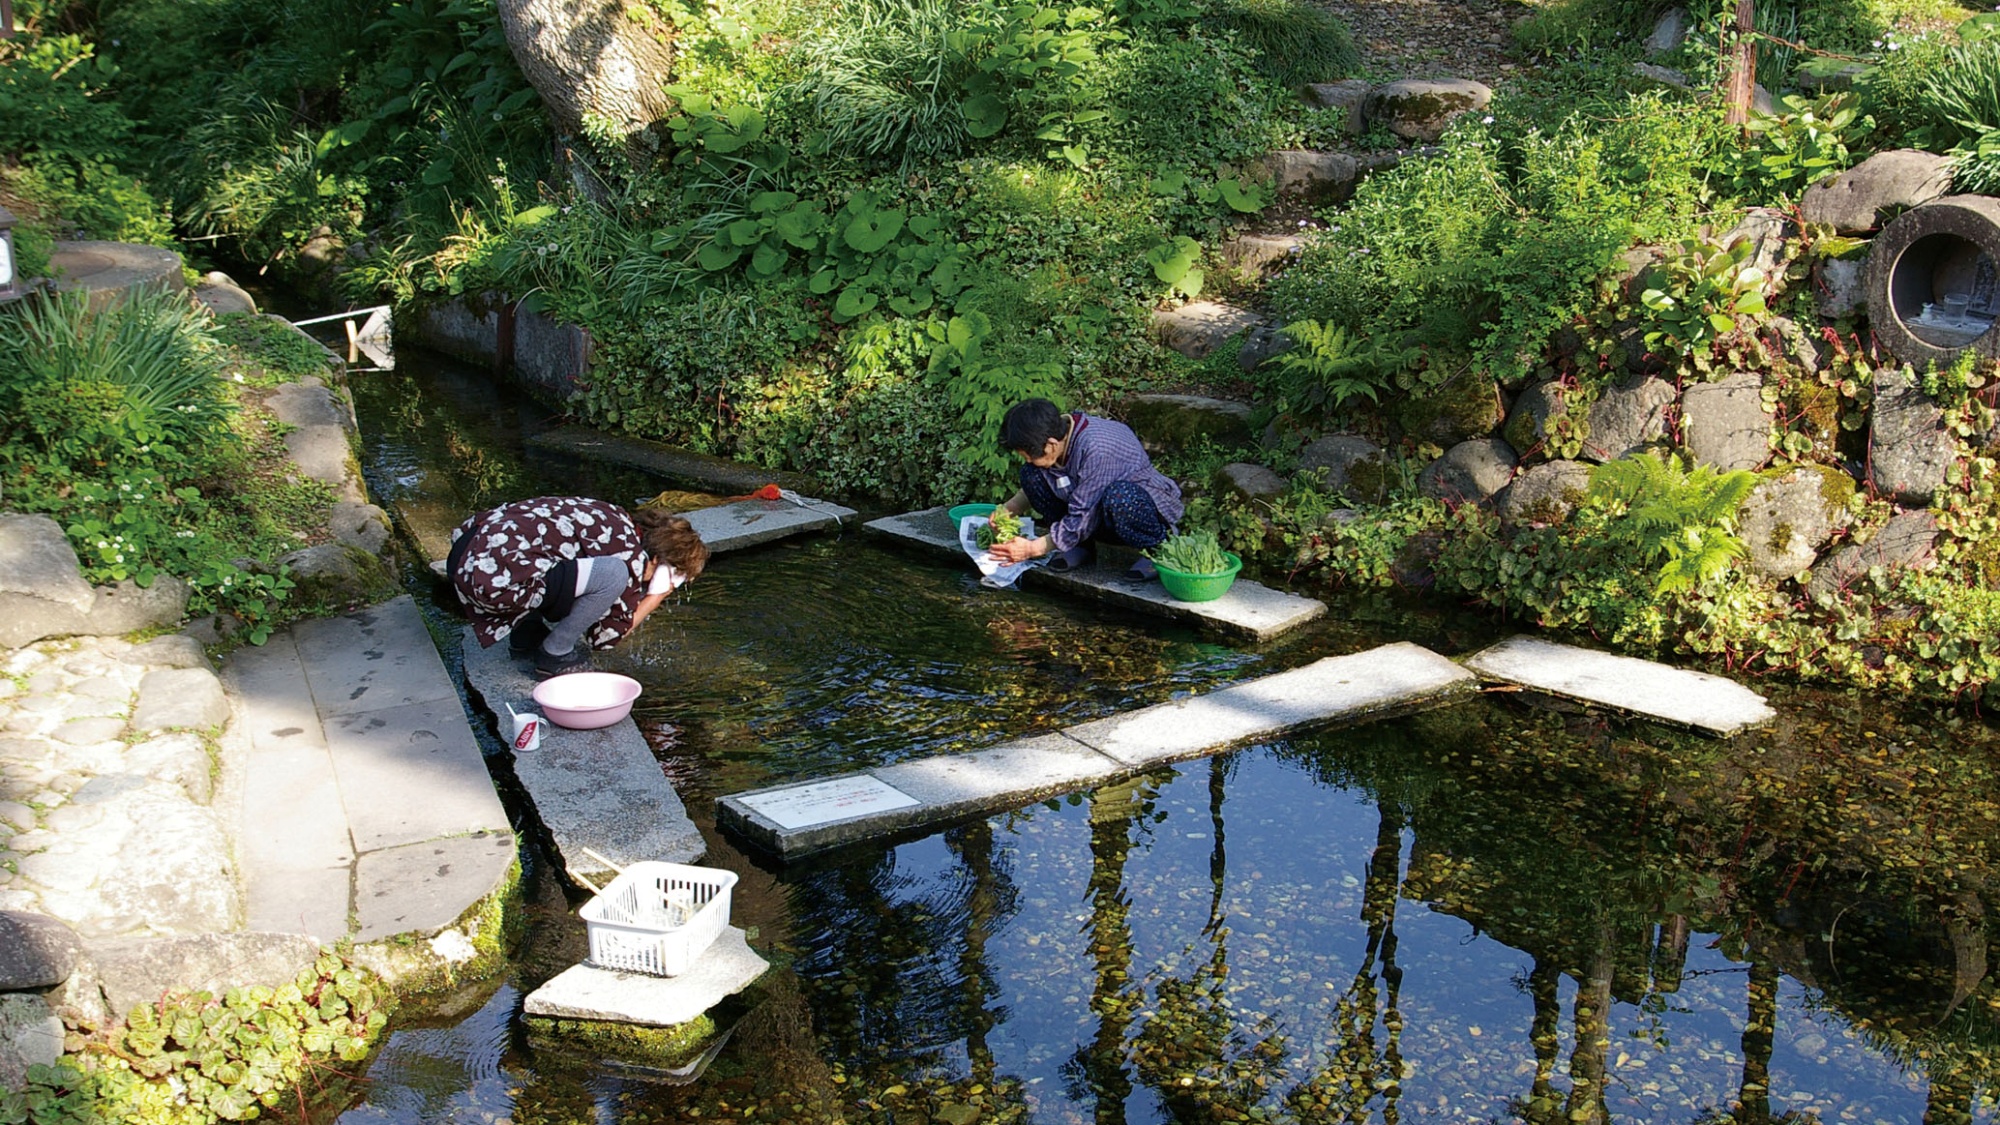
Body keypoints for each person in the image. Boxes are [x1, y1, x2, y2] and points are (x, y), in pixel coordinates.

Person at [446, 496, 709, 679]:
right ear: (658, 562)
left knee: (547, 560)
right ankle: (554, 654)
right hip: (489, 580)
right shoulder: (630, 557)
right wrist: (655, 596)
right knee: (610, 575)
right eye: (678, 576)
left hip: (463, 559)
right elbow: (606, 637)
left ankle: (526, 634)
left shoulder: (615, 518)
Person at [985, 398, 1182, 580]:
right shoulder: (1058, 437)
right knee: (1031, 473)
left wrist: (1033, 548)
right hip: (1092, 512)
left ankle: (1156, 549)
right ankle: (1079, 547)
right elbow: (1043, 484)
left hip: (1134, 510)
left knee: (1120, 497)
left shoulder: (1097, 449)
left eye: (1029, 455)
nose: (1027, 460)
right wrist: (1008, 509)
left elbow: (1084, 514)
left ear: (1051, 444)